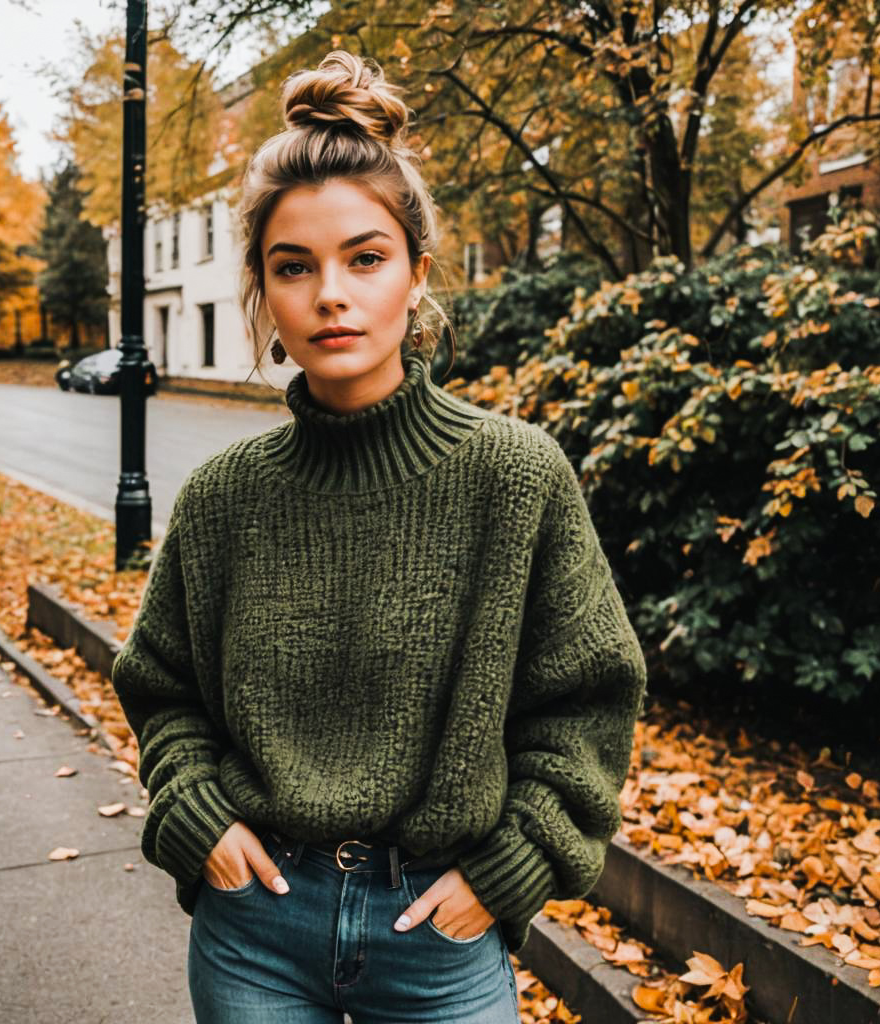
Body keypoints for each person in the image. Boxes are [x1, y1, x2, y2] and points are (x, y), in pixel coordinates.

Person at [109, 49, 647, 1024]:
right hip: (253, 930)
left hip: (438, 932)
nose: (329, 293)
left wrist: (511, 865)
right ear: (263, 294)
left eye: (364, 256)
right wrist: (197, 816)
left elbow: (589, 701)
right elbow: (160, 683)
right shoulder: (226, 497)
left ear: (417, 272)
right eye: (292, 266)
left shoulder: (515, 478)